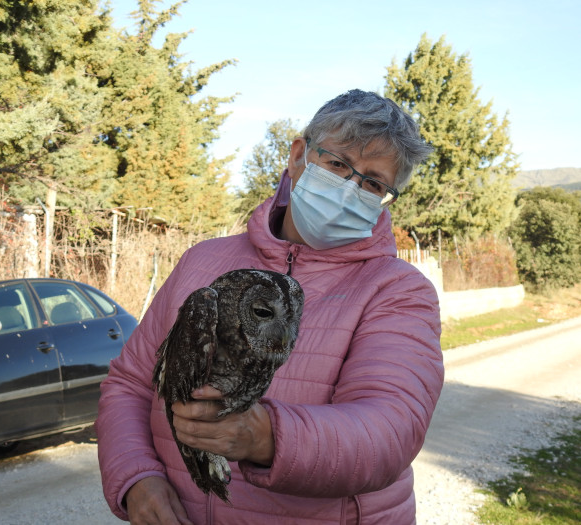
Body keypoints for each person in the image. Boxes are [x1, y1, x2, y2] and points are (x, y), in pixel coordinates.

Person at [96, 89, 443, 525]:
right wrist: (135, 478)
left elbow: (389, 431)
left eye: (373, 183)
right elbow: (130, 384)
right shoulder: (201, 263)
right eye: (337, 164)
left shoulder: (397, 291)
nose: (349, 188)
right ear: (298, 156)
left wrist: (267, 437)